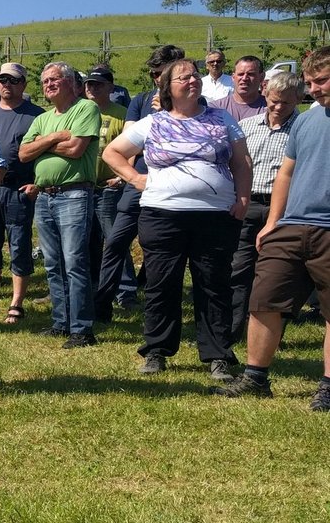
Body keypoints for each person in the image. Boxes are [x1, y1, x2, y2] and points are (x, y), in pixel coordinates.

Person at [102, 57, 251, 379]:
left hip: (215, 215)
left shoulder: (222, 118)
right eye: (183, 77)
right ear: (167, 87)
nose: (192, 81)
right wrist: (137, 179)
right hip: (162, 214)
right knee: (161, 284)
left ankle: (218, 355)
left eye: (195, 76)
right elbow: (112, 152)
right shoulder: (154, 122)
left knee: (214, 285)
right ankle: (156, 351)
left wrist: (242, 197)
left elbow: (242, 161)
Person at [215, 48, 330, 410]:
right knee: (263, 300)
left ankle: (327, 388)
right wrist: (272, 222)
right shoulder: (307, 122)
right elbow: (287, 172)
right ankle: (255, 378)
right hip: (291, 225)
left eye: (322, 81)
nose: (314, 89)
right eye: (310, 83)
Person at [94, 45, 186, 320]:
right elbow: (130, 141)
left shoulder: (197, 103)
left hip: (175, 186)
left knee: (168, 250)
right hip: (139, 183)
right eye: (153, 73)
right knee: (115, 242)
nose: (156, 79)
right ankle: (103, 305)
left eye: (160, 73)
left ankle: (163, 308)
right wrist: (129, 177)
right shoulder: (141, 100)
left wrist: (167, 113)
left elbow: (186, 145)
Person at [18, 62, 102, 346]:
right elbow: (23, 153)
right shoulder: (42, 119)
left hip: (74, 194)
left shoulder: (85, 109)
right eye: (44, 81)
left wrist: (42, 143)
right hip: (44, 196)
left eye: (54, 79)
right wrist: (55, 137)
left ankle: (81, 329)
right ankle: (60, 322)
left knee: (75, 261)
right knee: (53, 263)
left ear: (70, 83)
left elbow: (76, 149)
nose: (48, 84)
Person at [228, 70, 302, 340]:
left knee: (276, 276)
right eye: (274, 100)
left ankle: (270, 337)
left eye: (287, 103)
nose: (279, 107)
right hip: (247, 204)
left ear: (299, 99)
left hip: (283, 209)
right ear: (265, 94)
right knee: (239, 270)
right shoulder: (246, 127)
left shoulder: (302, 129)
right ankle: (233, 330)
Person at [0, 63, 42, 324]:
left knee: (19, 246)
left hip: (19, 189)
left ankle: (16, 303)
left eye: (13, 80)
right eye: (2, 79)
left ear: (24, 84)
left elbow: (46, 154)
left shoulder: (37, 115)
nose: (6, 84)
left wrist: (37, 183)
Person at [85, 65, 138, 315]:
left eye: (97, 84)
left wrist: (122, 177)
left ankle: (126, 291)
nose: (91, 88)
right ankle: (95, 287)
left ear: (110, 87)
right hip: (84, 187)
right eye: (88, 84)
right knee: (89, 242)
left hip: (109, 188)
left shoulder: (122, 114)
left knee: (115, 241)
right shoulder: (81, 112)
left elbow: (134, 148)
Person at [212, 55, 267, 122]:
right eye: (240, 74)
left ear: (262, 77)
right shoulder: (216, 108)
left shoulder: (270, 108)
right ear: (233, 77)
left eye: (250, 74)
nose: (244, 78)